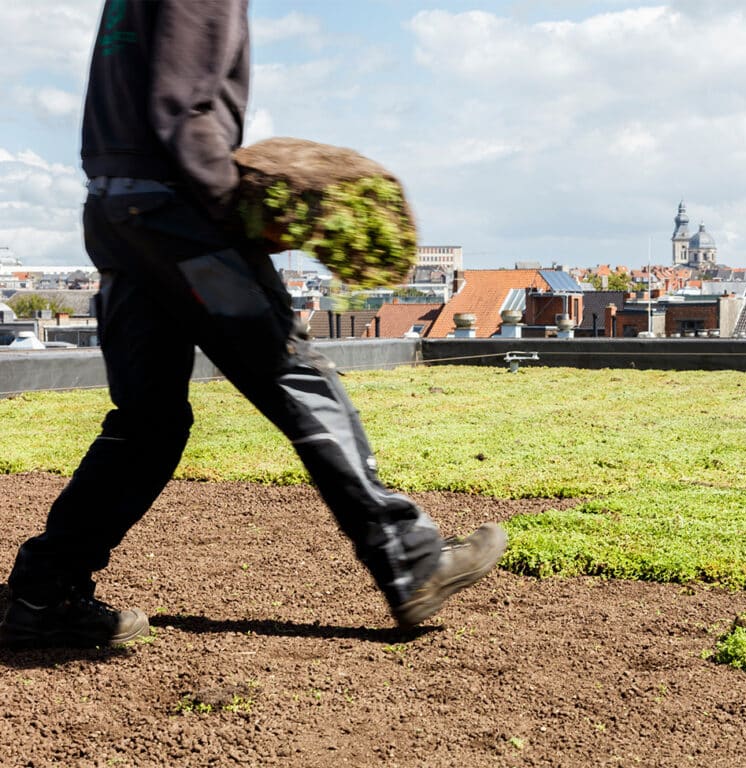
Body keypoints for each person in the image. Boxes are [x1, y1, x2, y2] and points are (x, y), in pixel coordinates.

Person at [0, 0, 506, 648]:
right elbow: (181, 109)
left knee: (148, 425)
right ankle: (411, 560)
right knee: (294, 374)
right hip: (183, 220)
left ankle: (45, 593)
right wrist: (236, 209)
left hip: (117, 215)